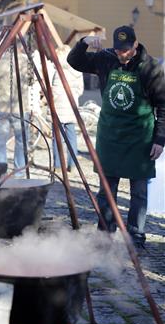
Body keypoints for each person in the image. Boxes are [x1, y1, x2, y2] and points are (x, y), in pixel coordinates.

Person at [67, 25, 165, 247]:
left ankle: (136, 236)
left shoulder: (150, 68)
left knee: (138, 192)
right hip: (110, 136)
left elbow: (163, 105)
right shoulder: (105, 59)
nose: (122, 54)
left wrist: (160, 140)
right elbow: (74, 61)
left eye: (126, 50)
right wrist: (85, 42)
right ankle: (105, 234)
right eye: (119, 50)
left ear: (135, 45)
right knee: (106, 190)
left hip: (140, 138)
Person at [0, 44, 29, 179]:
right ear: (19, 48)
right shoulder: (25, 61)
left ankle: (2, 167)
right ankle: (19, 171)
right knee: (21, 140)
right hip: (21, 107)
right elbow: (31, 81)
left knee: (1, 138)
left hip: (1, 106)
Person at [52, 45, 84, 173]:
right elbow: (80, 90)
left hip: (59, 108)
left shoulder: (58, 71)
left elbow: (55, 90)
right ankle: (73, 163)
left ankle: (58, 165)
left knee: (57, 138)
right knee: (72, 136)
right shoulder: (77, 71)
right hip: (72, 107)